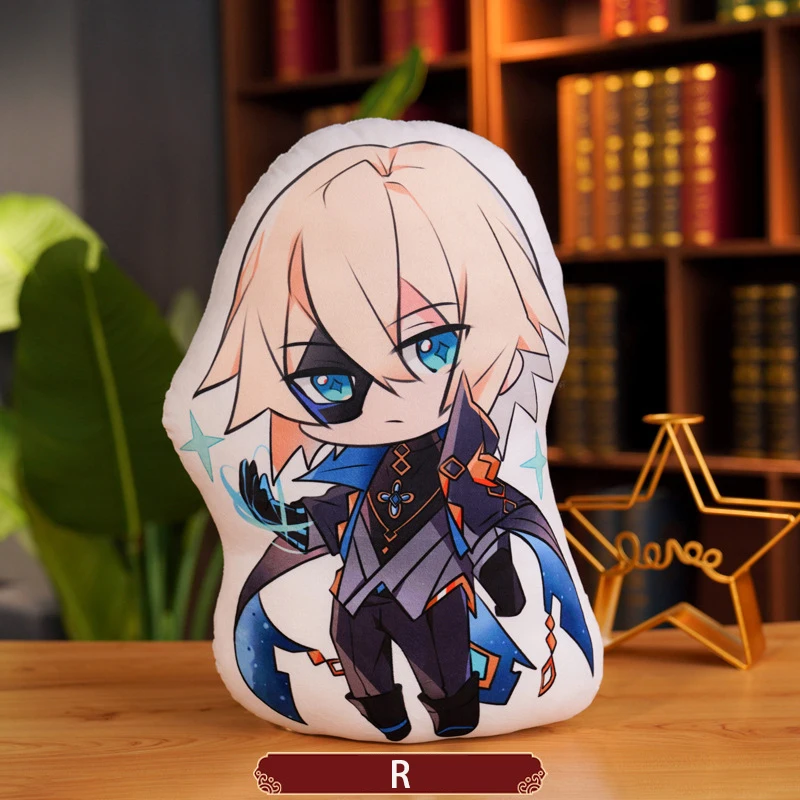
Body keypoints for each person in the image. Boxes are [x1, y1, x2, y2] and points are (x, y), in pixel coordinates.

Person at [196, 141, 593, 740]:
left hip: (433, 587)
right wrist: (284, 518)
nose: (388, 395)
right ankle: (386, 713)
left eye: (430, 346)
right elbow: (335, 511)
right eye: (330, 379)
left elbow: (483, 515)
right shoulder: (351, 462)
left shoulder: (461, 455)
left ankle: (451, 713)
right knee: (361, 660)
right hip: (360, 588)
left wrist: (504, 588)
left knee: (446, 675)